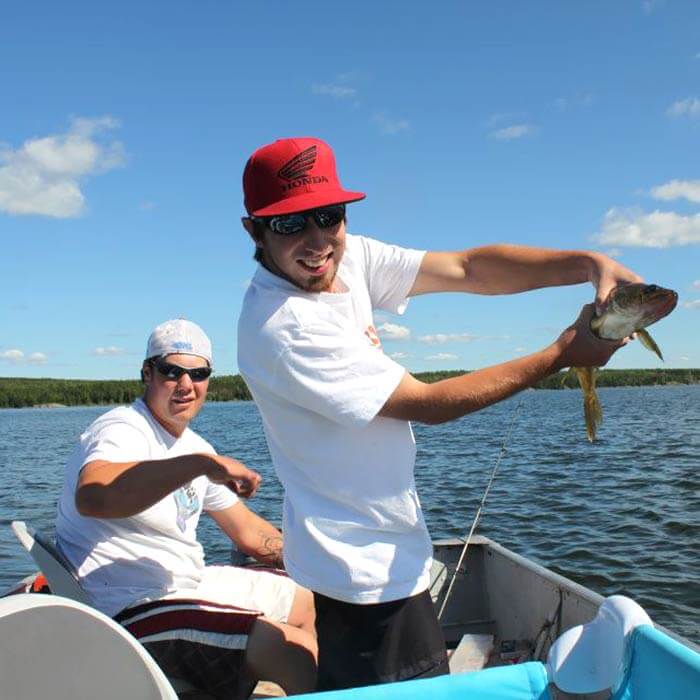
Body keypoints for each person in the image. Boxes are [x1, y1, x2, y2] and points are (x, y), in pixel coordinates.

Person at [236, 137, 643, 691]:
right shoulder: (283, 327)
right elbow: (428, 405)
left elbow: (467, 267)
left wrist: (588, 264)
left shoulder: (345, 257)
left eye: (329, 216)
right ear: (253, 230)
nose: (316, 241)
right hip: (361, 576)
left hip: (381, 551)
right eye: (288, 224)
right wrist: (563, 354)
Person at [56, 319, 317, 699]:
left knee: (305, 600)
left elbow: (249, 534)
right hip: (126, 607)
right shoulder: (122, 429)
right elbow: (94, 496)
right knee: (292, 652)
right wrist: (200, 466)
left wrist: (316, 558)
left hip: (183, 584)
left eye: (198, 373)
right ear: (147, 373)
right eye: (171, 371)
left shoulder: (194, 446)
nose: (185, 385)